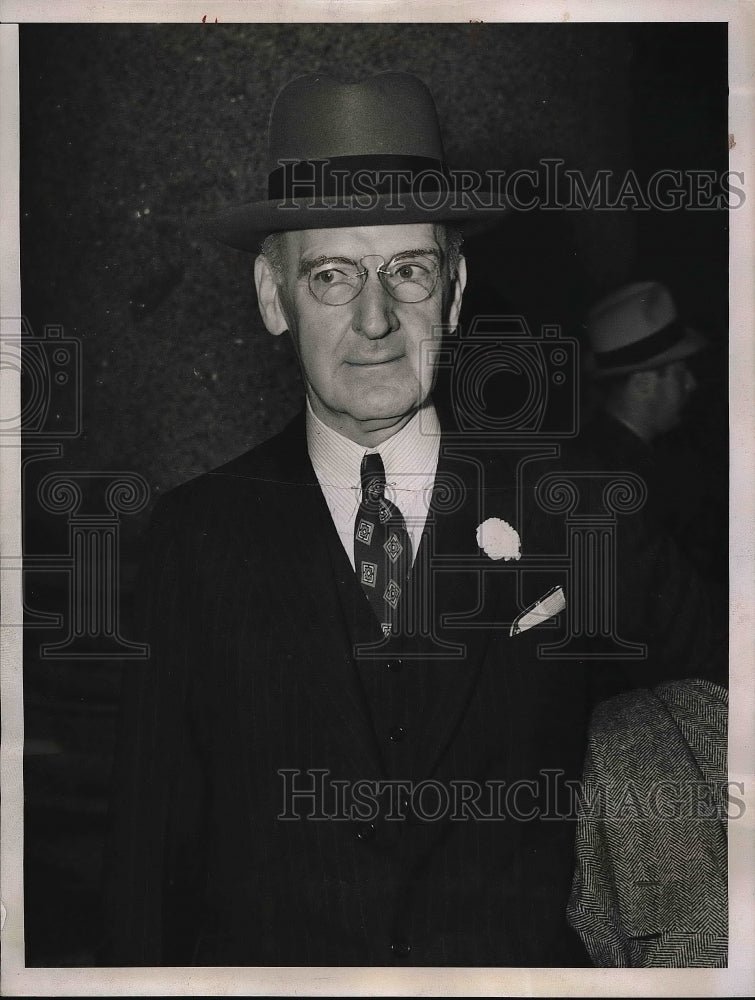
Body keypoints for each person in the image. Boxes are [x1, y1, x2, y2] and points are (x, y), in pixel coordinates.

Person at [103, 72, 722, 968]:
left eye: (407, 270)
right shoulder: (195, 539)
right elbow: (144, 873)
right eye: (330, 276)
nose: (376, 319)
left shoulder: (575, 508)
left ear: (456, 289)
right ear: (272, 297)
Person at [578, 281, 720, 580]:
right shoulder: (617, 483)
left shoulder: (612, 454)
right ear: (643, 383)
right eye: (681, 372)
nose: (691, 384)